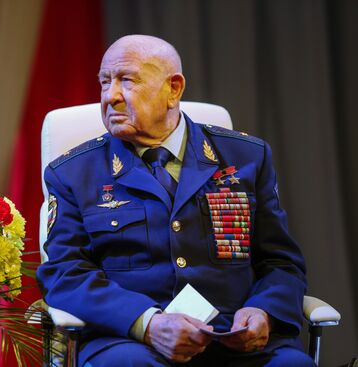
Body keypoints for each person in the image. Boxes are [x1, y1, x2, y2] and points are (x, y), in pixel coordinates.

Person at [37, 34, 314, 366]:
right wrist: (147, 323)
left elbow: (281, 263)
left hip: (236, 340)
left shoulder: (247, 156)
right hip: (130, 341)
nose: (111, 96)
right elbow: (66, 273)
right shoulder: (73, 172)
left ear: (174, 89)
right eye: (104, 82)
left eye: (127, 81)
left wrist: (264, 311)